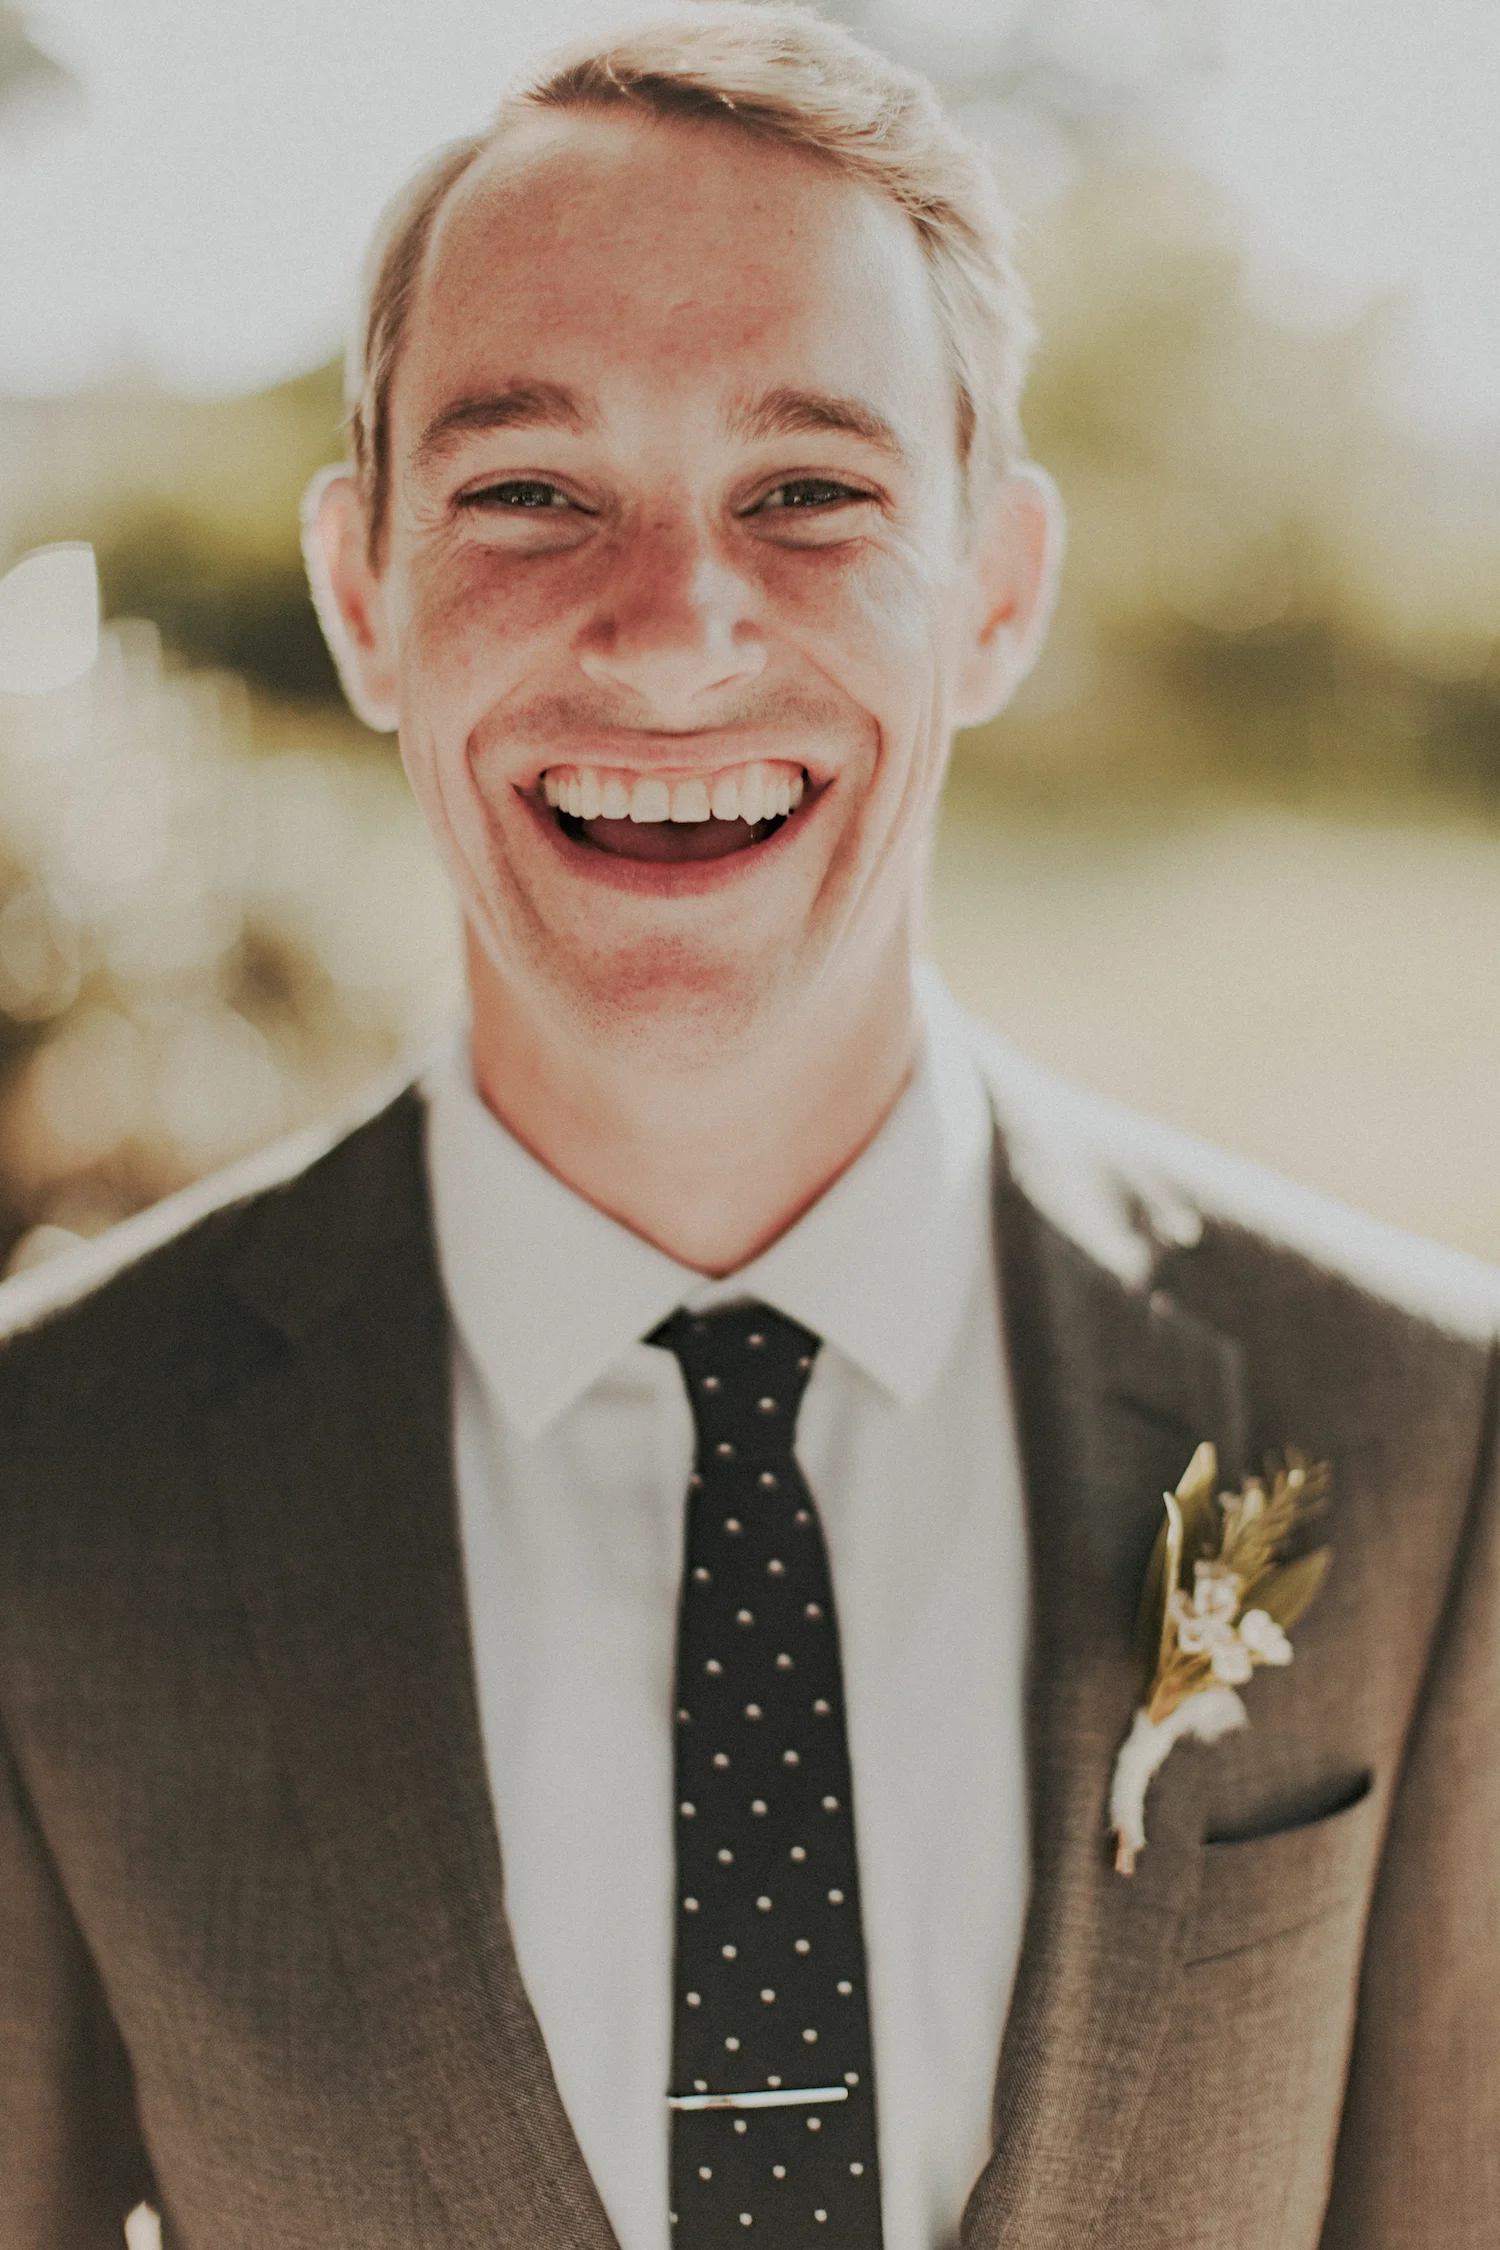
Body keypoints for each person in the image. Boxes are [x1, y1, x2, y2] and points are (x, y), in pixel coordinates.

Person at [2, 9, 1496, 2248]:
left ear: (993, 587)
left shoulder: (1422, 1433)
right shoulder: (47, 1486)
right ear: (359, 594)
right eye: (529, 490)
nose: (676, 627)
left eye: (810, 492)